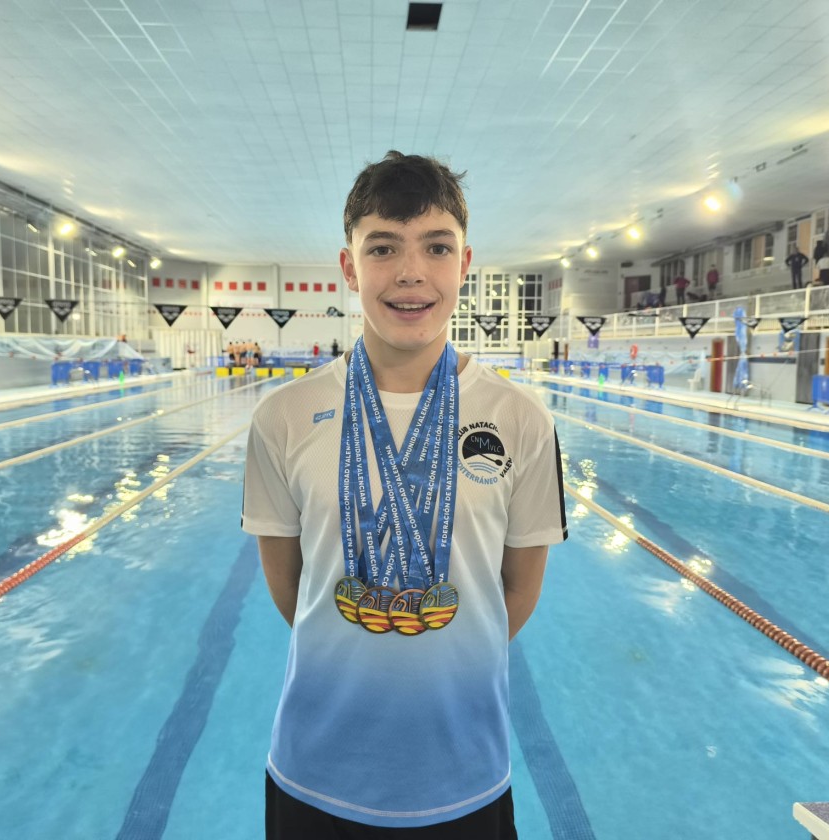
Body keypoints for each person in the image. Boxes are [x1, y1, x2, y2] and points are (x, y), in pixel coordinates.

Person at [242, 150, 566, 838]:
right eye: (383, 247)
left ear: (464, 263)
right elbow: (291, 590)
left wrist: (433, 642)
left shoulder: (520, 420)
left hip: (467, 774)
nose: (412, 272)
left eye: (436, 247)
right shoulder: (284, 416)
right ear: (350, 266)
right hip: (314, 772)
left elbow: (517, 592)